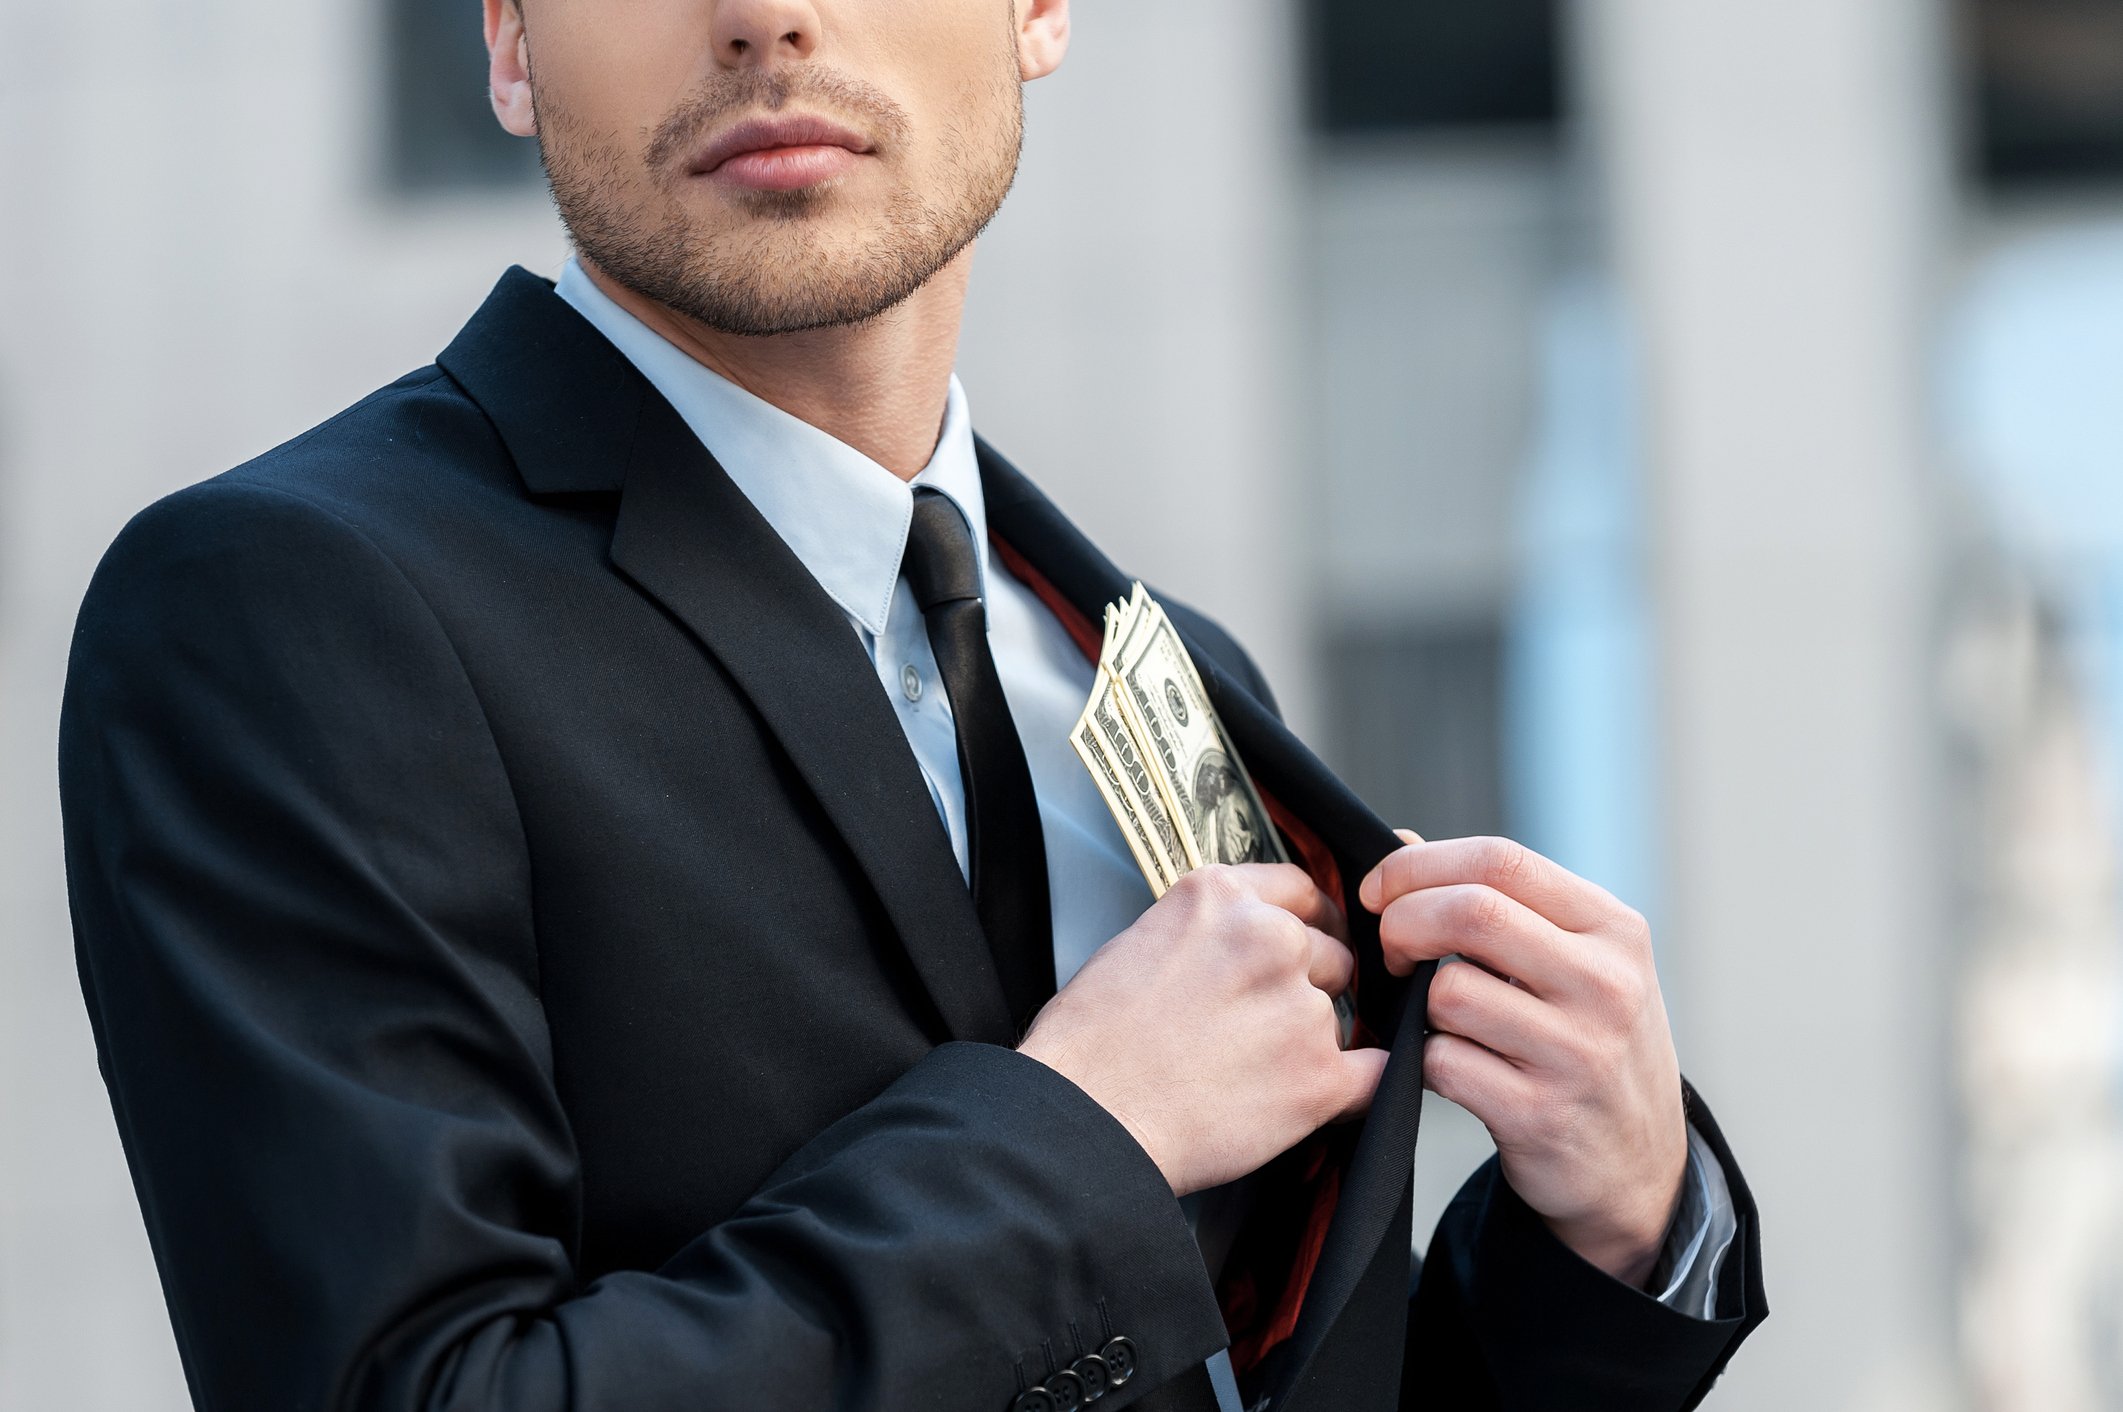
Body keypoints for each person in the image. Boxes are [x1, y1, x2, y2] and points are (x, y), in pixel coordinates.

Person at [57, 3, 1766, 1410]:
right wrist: (1084, 1141)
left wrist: (1619, 1233)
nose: (765, 20)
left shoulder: (1169, 675)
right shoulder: (287, 608)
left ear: (1037, 11)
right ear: (510, 41)